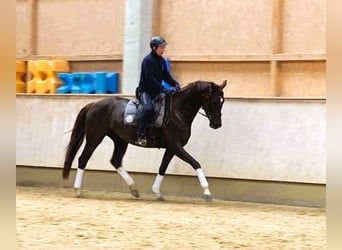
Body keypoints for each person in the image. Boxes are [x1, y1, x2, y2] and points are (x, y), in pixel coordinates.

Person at [135, 36, 180, 146]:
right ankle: (140, 134)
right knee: (149, 108)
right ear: (154, 48)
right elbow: (150, 80)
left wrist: (175, 84)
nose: (163, 49)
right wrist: (164, 89)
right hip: (145, 92)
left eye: (164, 47)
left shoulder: (161, 61)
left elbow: (166, 76)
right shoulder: (147, 61)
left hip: (157, 91)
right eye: (161, 47)